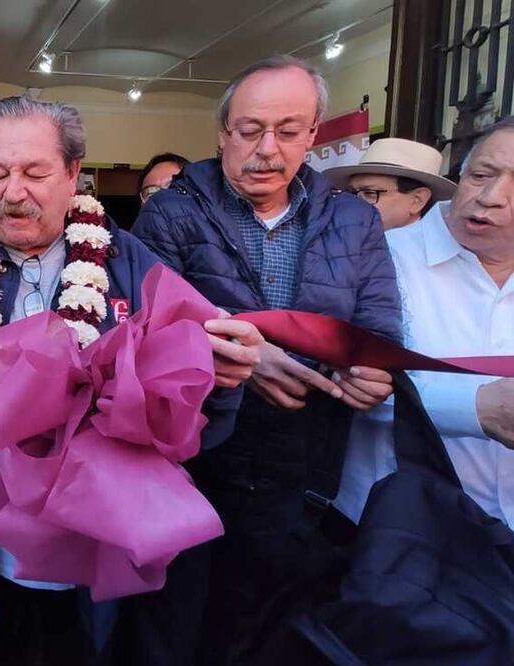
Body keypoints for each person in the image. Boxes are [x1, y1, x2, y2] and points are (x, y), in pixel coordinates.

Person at [0, 95, 265, 666]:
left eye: (35, 173)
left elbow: (193, 394)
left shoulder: (129, 262)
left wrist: (220, 373)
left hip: (94, 539)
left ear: (73, 173)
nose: (13, 192)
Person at [131, 55, 402, 663]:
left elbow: (378, 327)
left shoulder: (354, 221)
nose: (267, 149)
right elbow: (144, 332)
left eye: (287, 130)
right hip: (195, 460)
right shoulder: (171, 214)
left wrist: (371, 375)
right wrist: (241, 363)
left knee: (274, 628)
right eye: (250, 130)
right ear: (223, 132)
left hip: (305, 463)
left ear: (313, 133)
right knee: (179, 624)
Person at [337, 117, 514, 524]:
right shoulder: (381, 259)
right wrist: (477, 408)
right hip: (400, 541)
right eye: (481, 174)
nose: (490, 197)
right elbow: (349, 383)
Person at [324, 137, 456, 230]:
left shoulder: (439, 261)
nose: (354, 203)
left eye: (370, 193)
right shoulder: (337, 243)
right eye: (351, 193)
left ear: (417, 200)